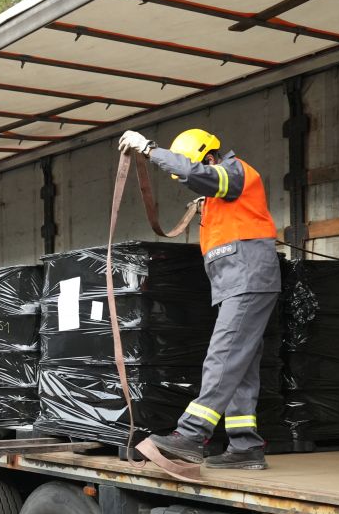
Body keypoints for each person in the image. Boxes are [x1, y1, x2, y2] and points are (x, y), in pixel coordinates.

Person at [118, 127, 280, 470]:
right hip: (238, 283)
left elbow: (195, 174)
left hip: (248, 280)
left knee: (222, 358)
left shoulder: (235, 172)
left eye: (191, 167)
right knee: (241, 367)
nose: (184, 179)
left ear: (209, 157)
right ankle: (245, 446)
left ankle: (191, 435)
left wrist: (150, 150)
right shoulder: (218, 193)